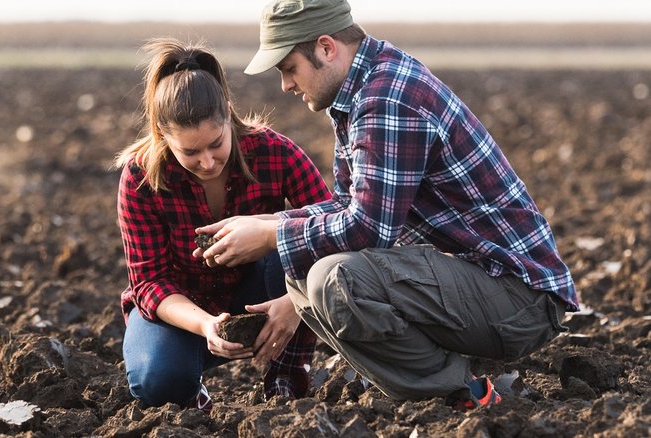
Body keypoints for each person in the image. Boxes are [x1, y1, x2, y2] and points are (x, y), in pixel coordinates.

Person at [198, 0, 578, 408]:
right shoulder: (361, 90)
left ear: (326, 48)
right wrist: (270, 222)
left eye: (289, 68)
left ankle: (466, 394)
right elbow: (347, 205)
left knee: (332, 279)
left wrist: (273, 233)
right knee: (308, 267)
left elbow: (368, 229)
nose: (286, 86)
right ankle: (452, 381)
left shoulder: (387, 98)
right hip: (480, 282)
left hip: (520, 297)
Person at [115, 38, 331, 409]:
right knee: (156, 379)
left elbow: (334, 225)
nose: (208, 162)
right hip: (184, 308)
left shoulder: (275, 153)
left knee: (293, 240)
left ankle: (285, 377)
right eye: (190, 152)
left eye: (216, 143)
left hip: (263, 294)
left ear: (228, 115)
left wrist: (296, 303)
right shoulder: (140, 178)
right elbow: (148, 281)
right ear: (162, 134)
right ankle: (190, 392)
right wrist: (205, 325)